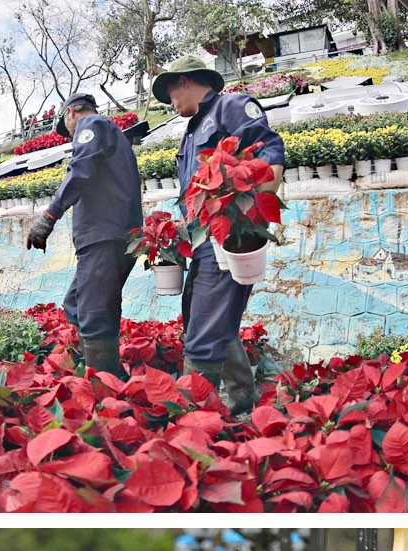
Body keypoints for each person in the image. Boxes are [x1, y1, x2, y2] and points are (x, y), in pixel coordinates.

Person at [157, 54, 286, 414]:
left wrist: (247, 204)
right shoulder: (192, 130)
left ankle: (190, 420)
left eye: (169, 91)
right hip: (202, 242)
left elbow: (269, 152)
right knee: (215, 319)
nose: (170, 102)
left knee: (202, 332)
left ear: (183, 80)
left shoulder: (231, 106)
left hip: (226, 239)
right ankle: (241, 399)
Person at [26, 92, 144, 377]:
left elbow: (79, 172)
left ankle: (105, 389)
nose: (70, 137)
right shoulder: (112, 133)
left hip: (104, 236)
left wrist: (48, 216)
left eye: (67, 131)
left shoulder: (91, 125)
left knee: (93, 314)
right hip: (113, 236)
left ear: (70, 114)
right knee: (77, 303)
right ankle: (108, 373)